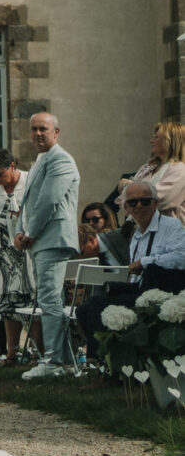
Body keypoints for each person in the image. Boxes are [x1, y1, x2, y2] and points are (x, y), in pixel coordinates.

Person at [76, 179, 185, 348]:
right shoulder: (136, 235)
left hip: (162, 292)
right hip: (140, 291)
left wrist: (145, 262)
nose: (139, 206)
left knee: (97, 305)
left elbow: (182, 257)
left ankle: (99, 360)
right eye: (133, 202)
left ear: (155, 203)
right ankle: (103, 357)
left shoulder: (171, 226)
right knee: (84, 310)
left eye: (145, 201)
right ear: (126, 208)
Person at [16, 113, 81, 380]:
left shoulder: (61, 159)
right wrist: (19, 231)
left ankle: (54, 360)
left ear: (56, 132)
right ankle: (63, 359)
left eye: (43, 129)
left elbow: (48, 201)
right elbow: (27, 202)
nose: (38, 134)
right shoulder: (40, 160)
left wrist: (30, 233)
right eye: (34, 129)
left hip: (52, 239)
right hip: (41, 240)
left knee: (50, 300)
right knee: (48, 299)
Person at [0, 149, 33, 364]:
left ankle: (37, 353)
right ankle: (12, 353)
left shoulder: (30, 182)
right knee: (8, 308)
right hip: (4, 257)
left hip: (29, 254)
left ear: (12, 166)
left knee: (31, 304)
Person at [79, 202, 126, 267]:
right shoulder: (86, 248)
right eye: (87, 221)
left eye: (95, 219)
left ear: (106, 219)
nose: (91, 223)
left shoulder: (121, 236)